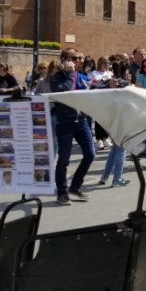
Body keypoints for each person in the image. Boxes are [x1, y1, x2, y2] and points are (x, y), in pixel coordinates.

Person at [50, 47, 94, 205]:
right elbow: (67, 92)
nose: (78, 61)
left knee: (90, 154)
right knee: (64, 160)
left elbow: (91, 90)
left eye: (79, 58)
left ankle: (75, 187)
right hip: (65, 123)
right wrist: (69, 73)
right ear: (64, 60)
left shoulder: (80, 76)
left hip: (81, 121)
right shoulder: (57, 78)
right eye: (74, 58)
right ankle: (62, 192)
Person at [96, 60, 131, 187]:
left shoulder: (108, 81)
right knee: (121, 148)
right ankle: (117, 178)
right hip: (120, 117)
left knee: (115, 149)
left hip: (110, 117)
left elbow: (95, 87)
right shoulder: (124, 83)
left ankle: (105, 176)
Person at [89, 56, 114, 150]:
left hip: (108, 98)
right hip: (98, 98)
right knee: (99, 119)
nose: (108, 65)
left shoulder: (110, 73)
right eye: (106, 63)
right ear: (101, 63)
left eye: (109, 63)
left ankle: (105, 138)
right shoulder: (94, 73)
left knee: (106, 120)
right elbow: (92, 84)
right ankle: (99, 139)